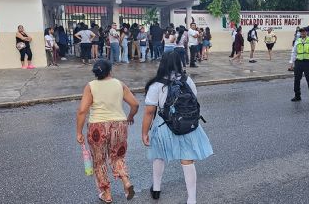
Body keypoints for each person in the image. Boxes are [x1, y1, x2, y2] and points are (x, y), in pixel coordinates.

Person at [142, 51, 213, 204]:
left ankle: (156, 189)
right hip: (187, 125)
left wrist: (144, 133)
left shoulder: (157, 85)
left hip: (163, 126)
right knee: (187, 161)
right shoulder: (188, 80)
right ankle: (191, 199)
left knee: (159, 156)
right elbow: (193, 101)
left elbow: (149, 112)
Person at [76, 59, 139, 203]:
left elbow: (82, 111)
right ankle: (126, 181)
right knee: (118, 156)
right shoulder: (119, 84)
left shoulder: (90, 86)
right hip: (119, 125)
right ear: (110, 71)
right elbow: (135, 104)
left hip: (97, 126)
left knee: (99, 161)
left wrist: (79, 132)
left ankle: (107, 194)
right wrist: (130, 116)